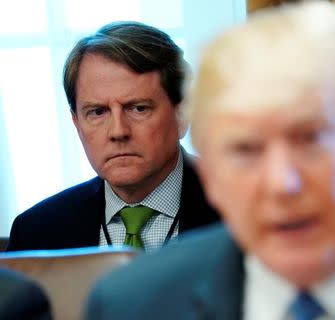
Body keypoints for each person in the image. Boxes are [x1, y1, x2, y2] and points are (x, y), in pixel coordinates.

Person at [85, 2, 335, 320]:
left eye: (311, 140)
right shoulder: (134, 304)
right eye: (246, 151)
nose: (282, 182)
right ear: (210, 173)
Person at [7, 21, 219, 252]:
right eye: (98, 112)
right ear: (77, 124)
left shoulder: (244, 213)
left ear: (182, 115)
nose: (118, 131)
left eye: (138, 108)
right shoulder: (36, 232)